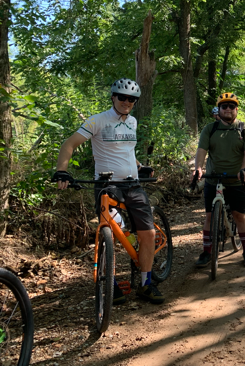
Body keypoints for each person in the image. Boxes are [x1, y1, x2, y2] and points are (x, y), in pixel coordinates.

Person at [52, 78, 164, 305]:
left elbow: (126, 150)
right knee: (110, 232)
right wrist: (62, 171)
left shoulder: (132, 122)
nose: (126, 102)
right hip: (107, 186)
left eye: (131, 99)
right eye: (122, 97)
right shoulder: (98, 121)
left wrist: (140, 166)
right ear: (113, 97)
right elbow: (69, 144)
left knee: (149, 234)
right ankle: (111, 283)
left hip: (133, 184)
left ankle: (145, 282)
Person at [192, 92, 245, 267]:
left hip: (237, 180)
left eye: (231, 106)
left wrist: (244, 169)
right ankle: (206, 252)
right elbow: (202, 150)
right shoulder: (210, 129)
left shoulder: (244, 128)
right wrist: (198, 167)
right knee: (210, 216)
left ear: (236, 109)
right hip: (214, 179)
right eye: (224, 106)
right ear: (219, 109)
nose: (228, 109)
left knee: (239, 215)